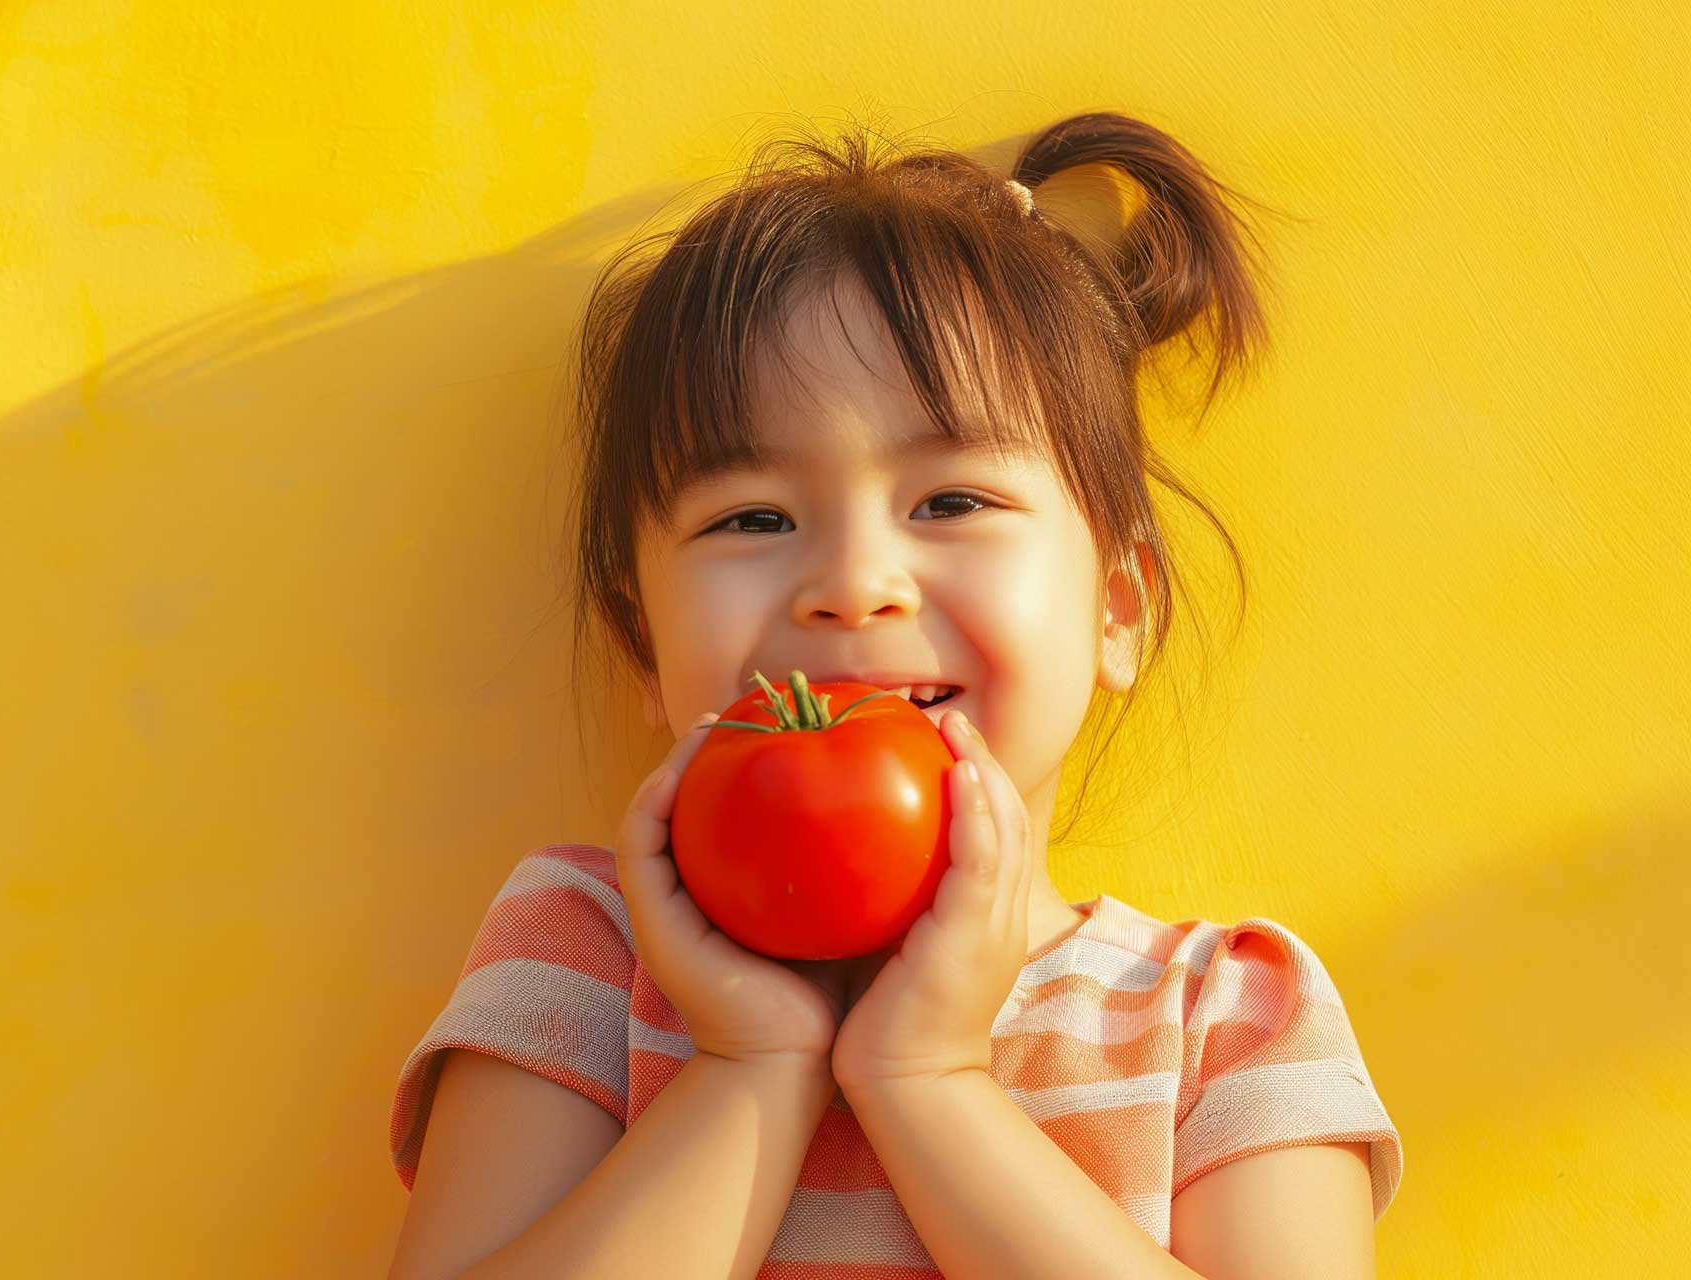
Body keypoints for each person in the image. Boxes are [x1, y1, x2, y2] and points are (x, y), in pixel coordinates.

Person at [386, 111, 1403, 1279]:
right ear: (641, 645)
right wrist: (748, 1066)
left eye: (953, 501)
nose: (854, 586)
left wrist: (928, 1083)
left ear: (1118, 607)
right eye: (753, 518)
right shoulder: (583, 954)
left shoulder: (1226, 1020)